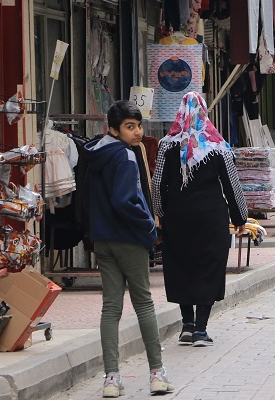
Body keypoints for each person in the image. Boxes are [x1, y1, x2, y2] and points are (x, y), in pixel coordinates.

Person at [83, 101, 174, 397]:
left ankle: (111, 378)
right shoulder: (125, 157)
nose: (138, 133)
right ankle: (157, 374)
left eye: (138, 125)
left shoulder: (93, 153)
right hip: (129, 239)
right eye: (130, 127)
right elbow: (125, 200)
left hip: (103, 240)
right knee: (144, 304)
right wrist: (148, 224)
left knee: (111, 307)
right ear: (113, 129)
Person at [152, 92, 248, 348]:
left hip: (178, 217)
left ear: (180, 112)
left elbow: (157, 184)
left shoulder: (166, 145)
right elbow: (232, 185)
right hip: (211, 219)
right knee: (209, 268)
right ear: (204, 112)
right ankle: (201, 329)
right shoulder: (218, 146)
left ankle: (186, 325)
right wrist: (241, 217)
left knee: (182, 267)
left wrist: (161, 214)